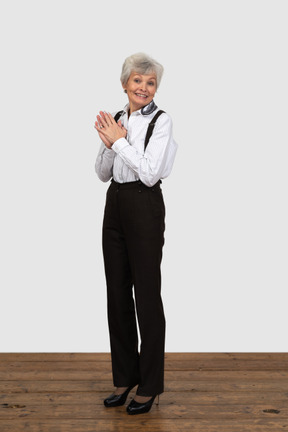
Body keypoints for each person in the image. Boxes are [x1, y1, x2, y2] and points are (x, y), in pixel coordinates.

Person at [94, 52, 177, 415]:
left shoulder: (162, 121)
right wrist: (112, 142)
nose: (144, 87)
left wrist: (120, 142)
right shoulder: (115, 119)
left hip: (144, 206)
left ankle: (150, 384)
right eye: (138, 80)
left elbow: (149, 173)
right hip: (115, 205)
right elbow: (100, 172)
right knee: (117, 293)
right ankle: (125, 377)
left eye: (151, 82)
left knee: (146, 294)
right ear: (125, 83)